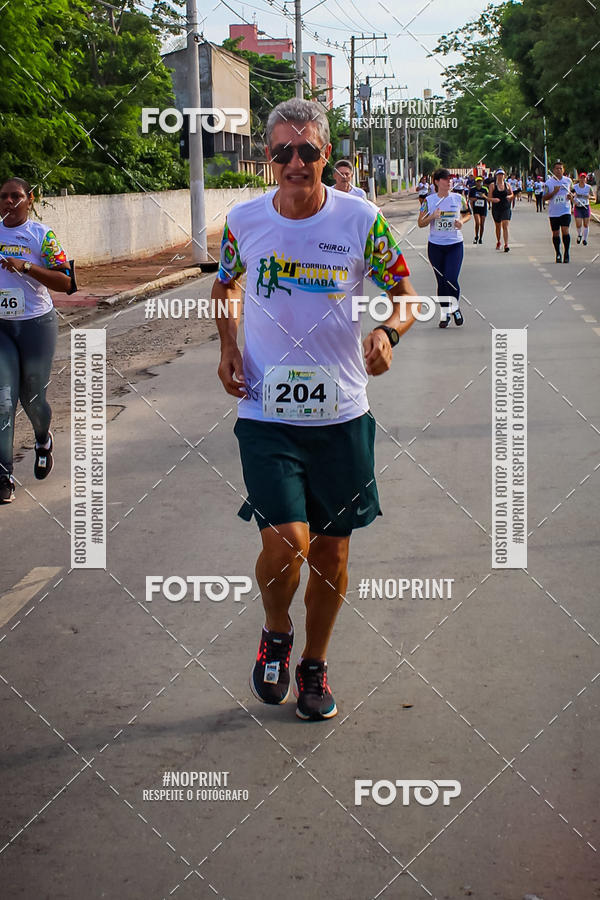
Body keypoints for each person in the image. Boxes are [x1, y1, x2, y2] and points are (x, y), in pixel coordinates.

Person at [213, 98, 419, 721]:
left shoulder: (362, 220)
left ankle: (315, 664)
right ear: (268, 157)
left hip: (342, 413)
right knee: (288, 542)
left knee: (331, 552)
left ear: (328, 156)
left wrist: (389, 333)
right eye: (283, 151)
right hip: (266, 411)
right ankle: (276, 631)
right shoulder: (244, 221)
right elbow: (224, 283)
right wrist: (228, 346)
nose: (296, 162)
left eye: (307, 151)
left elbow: (405, 295)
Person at [0, 177, 74, 504]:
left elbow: (67, 283)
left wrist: (26, 266)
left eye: (16, 196)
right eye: (3, 196)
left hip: (36, 325)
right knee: (3, 398)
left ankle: (42, 439)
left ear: (30, 199)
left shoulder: (42, 236)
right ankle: (4, 476)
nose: (9, 201)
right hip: (1, 326)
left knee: (32, 399)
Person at [418, 167, 471, 328]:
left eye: (450, 179)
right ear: (437, 182)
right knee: (441, 281)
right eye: (445, 179)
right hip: (436, 246)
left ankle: (455, 308)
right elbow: (420, 223)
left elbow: (468, 213)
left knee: (451, 278)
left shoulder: (458, 198)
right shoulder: (429, 201)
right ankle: (445, 314)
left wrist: (462, 221)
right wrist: (432, 216)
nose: (449, 181)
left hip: (454, 244)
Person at [544, 161, 573, 263]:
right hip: (554, 212)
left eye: (561, 168)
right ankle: (558, 253)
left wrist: (571, 197)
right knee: (555, 233)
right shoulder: (549, 183)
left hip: (565, 210)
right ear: (553, 170)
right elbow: (544, 198)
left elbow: (573, 193)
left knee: (565, 230)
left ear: (563, 170)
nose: (559, 170)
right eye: (557, 168)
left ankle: (566, 253)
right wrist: (554, 192)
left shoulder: (568, 181)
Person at [489, 169, 513, 252]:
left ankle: (506, 244)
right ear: (496, 176)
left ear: (504, 176)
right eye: (499, 174)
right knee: (498, 226)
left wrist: (510, 197)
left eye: (502, 174)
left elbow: (512, 194)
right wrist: (493, 199)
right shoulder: (492, 185)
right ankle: (499, 241)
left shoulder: (507, 185)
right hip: (496, 208)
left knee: (505, 225)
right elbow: (489, 198)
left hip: (506, 207)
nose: (500, 176)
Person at [572, 172, 595, 245]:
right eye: (581, 178)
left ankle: (585, 239)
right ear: (579, 178)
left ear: (586, 179)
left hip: (586, 207)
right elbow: (570, 195)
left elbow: (594, 197)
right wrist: (573, 201)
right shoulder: (575, 187)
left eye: (584, 178)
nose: (582, 179)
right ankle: (579, 234)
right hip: (578, 207)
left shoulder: (588, 187)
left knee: (586, 224)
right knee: (578, 224)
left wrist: (589, 197)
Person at [468, 176, 489, 244]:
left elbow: (488, 198)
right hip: (476, 208)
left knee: (482, 224)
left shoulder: (485, 189)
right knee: (477, 222)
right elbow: (470, 198)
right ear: (476, 182)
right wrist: (473, 199)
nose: (479, 183)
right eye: (478, 181)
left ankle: (480, 238)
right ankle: (476, 236)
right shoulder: (473, 189)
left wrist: (485, 197)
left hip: (483, 208)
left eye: (480, 181)